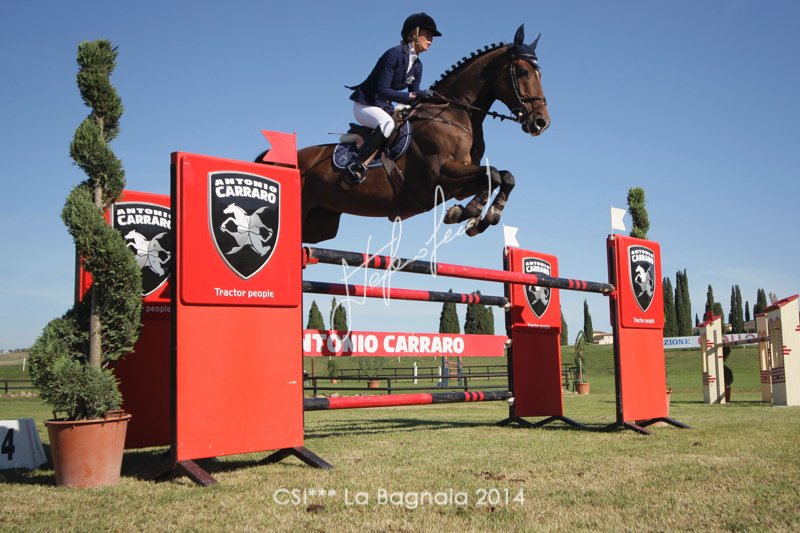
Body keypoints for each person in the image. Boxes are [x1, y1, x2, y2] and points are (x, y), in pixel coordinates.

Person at [346, 12, 441, 185]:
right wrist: (414, 95)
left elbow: (413, 97)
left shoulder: (418, 66)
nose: (431, 40)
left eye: (432, 36)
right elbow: (383, 90)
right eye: (427, 34)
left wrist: (429, 100)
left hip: (384, 107)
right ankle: (357, 164)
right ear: (414, 33)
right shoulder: (394, 54)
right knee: (387, 124)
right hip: (366, 105)